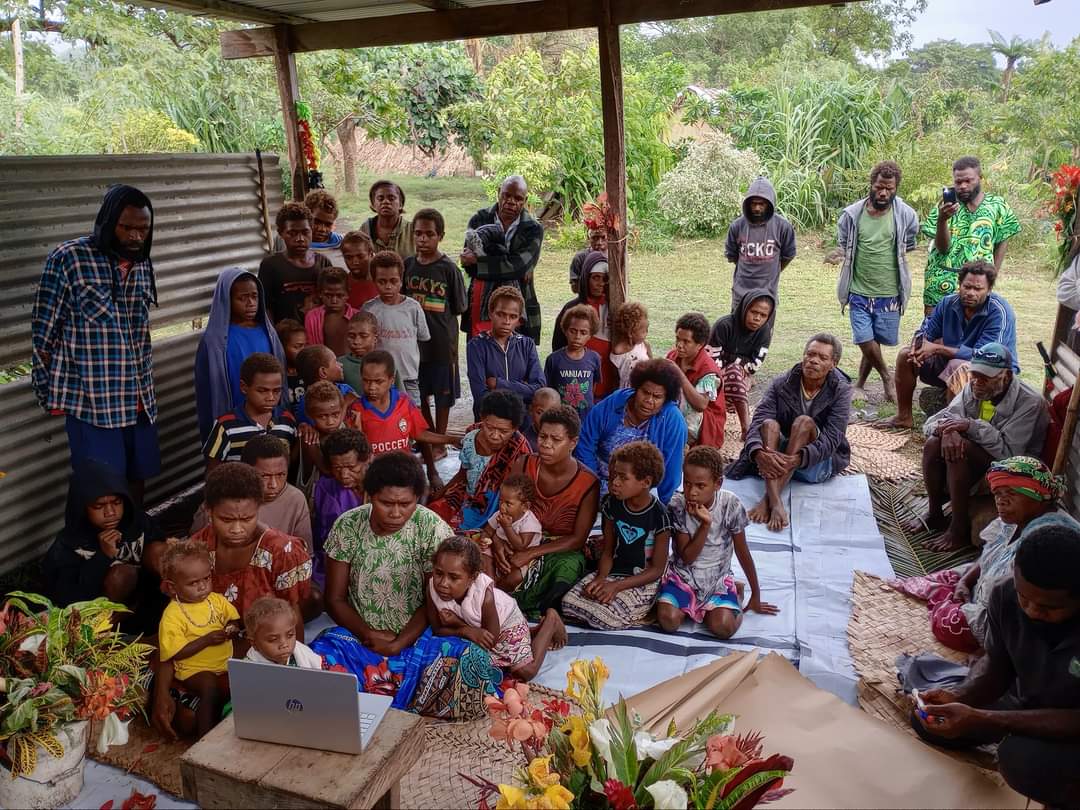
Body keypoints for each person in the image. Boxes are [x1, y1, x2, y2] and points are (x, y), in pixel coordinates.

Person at [313, 452, 504, 719]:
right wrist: (367, 633)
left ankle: (380, 697)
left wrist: (398, 642)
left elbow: (434, 600)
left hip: (421, 637)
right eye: (385, 503)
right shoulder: (349, 526)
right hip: (360, 639)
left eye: (406, 504)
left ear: (418, 499)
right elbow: (334, 599)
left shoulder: (431, 529)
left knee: (474, 662)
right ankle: (409, 699)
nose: (395, 512)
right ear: (369, 496)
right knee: (316, 657)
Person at [912, 522, 1080, 809]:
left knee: (1020, 761)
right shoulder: (1004, 595)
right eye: (1023, 597)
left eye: (1049, 607)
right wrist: (960, 696)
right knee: (929, 720)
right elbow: (997, 667)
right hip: (1028, 703)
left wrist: (987, 718)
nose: (1031, 611)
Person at [31, 184, 160, 502]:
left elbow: (140, 332)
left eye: (142, 229)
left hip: (138, 398)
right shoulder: (69, 259)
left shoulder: (142, 263)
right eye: (126, 227)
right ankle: (99, 551)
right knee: (100, 489)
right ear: (107, 222)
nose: (135, 237)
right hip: (93, 403)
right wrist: (50, 393)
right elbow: (43, 335)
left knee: (137, 478)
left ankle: (132, 544)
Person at [891, 456, 1079, 652]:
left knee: (950, 625)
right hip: (992, 591)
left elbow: (1020, 598)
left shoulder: (1047, 541)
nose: (1001, 501)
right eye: (997, 493)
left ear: (1039, 495)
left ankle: (950, 603)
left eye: (1011, 493)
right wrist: (966, 581)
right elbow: (991, 554)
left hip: (1011, 614)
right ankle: (952, 597)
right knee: (952, 575)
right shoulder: (1016, 519)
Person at [916, 343, 1050, 552]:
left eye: (985, 377)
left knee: (961, 449)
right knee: (935, 442)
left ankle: (958, 529)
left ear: (1005, 376)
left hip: (1014, 467)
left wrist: (969, 426)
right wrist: (948, 430)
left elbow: (1009, 453)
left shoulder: (1030, 402)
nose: (977, 382)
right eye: (974, 375)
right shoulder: (973, 387)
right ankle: (935, 513)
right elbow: (936, 422)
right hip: (981, 456)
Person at [727, 334, 850, 533]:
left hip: (815, 462)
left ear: (833, 365)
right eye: (810, 354)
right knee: (768, 424)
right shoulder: (782, 383)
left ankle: (769, 500)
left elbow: (832, 439)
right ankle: (776, 502)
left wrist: (797, 459)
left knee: (804, 423)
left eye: (822, 358)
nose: (813, 360)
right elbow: (759, 420)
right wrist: (760, 454)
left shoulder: (841, 391)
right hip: (781, 458)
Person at [657, 447, 778, 637]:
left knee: (723, 628)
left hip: (717, 579)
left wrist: (756, 594)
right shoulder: (677, 505)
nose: (692, 492)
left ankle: (735, 593)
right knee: (668, 621)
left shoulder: (730, 504)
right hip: (683, 576)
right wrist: (705, 525)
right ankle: (694, 606)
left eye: (700, 485)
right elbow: (687, 557)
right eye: (687, 484)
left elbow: (742, 551)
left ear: (718, 484)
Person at [883, 261, 1018, 429]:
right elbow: (926, 332)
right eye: (966, 287)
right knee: (906, 356)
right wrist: (917, 346)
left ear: (989, 290)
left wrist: (938, 348)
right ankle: (904, 417)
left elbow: (987, 358)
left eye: (977, 289)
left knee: (958, 367)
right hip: (951, 362)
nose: (970, 293)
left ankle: (950, 427)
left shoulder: (999, 312)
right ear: (959, 284)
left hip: (992, 376)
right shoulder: (948, 303)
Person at [188, 462, 314, 629]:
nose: (237, 529)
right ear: (208, 511)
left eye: (247, 519)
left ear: (258, 509)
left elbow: (292, 614)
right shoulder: (198, 547)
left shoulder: (281, 552)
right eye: (226, 520)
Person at [43, 460, 166, 630]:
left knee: (162, 551)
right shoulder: (70, 542)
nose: (110, 512)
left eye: (116, 503)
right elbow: (68, 597)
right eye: (99, 506)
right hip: (98, 611)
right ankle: (107, 633)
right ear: (83, 508)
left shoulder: (137, 522)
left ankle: (179, 611)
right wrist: (102, 557)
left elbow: (160, 547)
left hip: (145, 601)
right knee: (121, 574)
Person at [561, 442, 671, 630]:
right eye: (612, 477)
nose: (614, 483)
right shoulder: (611, 505)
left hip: (643, 579)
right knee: (568, 603)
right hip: (614, 571)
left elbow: (657, 569)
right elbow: (608, 550)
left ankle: (645, 610)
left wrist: (617, 587)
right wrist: (601, 578)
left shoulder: (659, 516)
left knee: (607, 618)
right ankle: (616, 605)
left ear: (646, 482)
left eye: (623, 478)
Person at [835, 161, 920, 401]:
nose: (883, 193)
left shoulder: (905, 214)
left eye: (889, 189)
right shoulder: (853, 215)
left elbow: (909, 243)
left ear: (896, 189)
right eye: (879, 187)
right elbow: (844, 244)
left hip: (890, 292)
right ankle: (887, 377)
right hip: (858, 289)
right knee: (864, 337)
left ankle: (860, 385)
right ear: (871, 185)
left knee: (875, 341)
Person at [505, 406, 601, 619]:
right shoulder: (524, 464)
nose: (546, 444)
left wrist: (531, 553)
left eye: (556, 440)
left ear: (573, 443)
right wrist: (502, 543)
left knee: (563, 575)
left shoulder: (588, 483)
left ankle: (543, 614)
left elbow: (578, 539)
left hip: (561, 548)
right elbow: (506, 509)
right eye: (542, 436)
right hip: (519, 537)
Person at [427, 536, 564, 680]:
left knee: (525, 672)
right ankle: (530, 634)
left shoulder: (484, 595)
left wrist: (458, 625)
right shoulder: (432, 588)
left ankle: (551, 621)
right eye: (438, 573)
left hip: (506, 623)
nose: (443, 583)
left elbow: (491, 641)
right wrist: (465, 630)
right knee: (461, 663)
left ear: (472, 578)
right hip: (476, 629)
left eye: (454, 578)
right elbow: (437, 630)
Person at [158, 539, 242, 737]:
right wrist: (206, 639)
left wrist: (231, 629)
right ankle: (206, 737)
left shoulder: (216, 600)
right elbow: (175, 652)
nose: (203, 587)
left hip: (225, 660)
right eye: (193, 583)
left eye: (206, 579)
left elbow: (234, 621)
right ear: (172, 587)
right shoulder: (173, 614)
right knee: (209, 687)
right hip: (193, 669)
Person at [576, 359, 688, 504]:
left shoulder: (673, 421)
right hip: (597, 481)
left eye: (657, 397)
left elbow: (671, 470)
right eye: (645, 392)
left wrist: (663, 508)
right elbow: (586, 442)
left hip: (640, 493)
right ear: (636, 388)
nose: (649, 400)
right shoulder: (614, 403)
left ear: (666, 399)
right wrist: (591, 484)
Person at [195, 268, 287, 443]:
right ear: (226, 300)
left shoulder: (269, 334)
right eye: (242, 298)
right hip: (234, 423)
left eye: (254, 296)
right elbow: (208, 393)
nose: (250, 303)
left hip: (268, 417)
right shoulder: (214, 342)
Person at [920, 156, 1021, 315]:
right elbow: (943, 247)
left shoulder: (997, 206)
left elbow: (1002, 241)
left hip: (977, 284)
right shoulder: (944, 207)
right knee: (935, 332)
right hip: (941, 281)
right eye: (958, 182)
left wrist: (992, 276)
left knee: (973, 330)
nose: (963, 186)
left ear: (980, 178)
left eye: (968, 180)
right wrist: (942, 220)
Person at [344, 350, 455, 489]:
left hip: (404, 475)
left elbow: (420, 434)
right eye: (366, 381)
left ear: (391, 379)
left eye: (378, 381)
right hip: (375, 479)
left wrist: (451, 440)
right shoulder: (356, 410)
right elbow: (353, 450)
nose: (372, 387)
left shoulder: (404, 402)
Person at [404, 208, 468, 443]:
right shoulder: (408, 265)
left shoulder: (449, 269)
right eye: (418, 233)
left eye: (429, 234)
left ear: (440, 235)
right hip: (415, 346)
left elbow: (460, 306)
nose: (423, 239)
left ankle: (440, 439)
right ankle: (428, 439)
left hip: (442, 344)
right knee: (419, 395)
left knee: (443, 396)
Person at [428, 390, 531, 531]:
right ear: (482, 418)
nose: (495, 435)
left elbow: (519, 494)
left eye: (503, 432)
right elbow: (463, 473)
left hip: (496, 505)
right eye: (489, 427)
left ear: (515, 428)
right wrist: (443, 491)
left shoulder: (520, 450)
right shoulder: (471, 436)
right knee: (431, 517)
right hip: (465, 494)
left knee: (461, 532)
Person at [190, 435, 312, 552]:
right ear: (247, 470)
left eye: (281, 474)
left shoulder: (296, 499)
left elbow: (303, 550)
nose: (273, 485)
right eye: (264, 476)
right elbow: (194, 551)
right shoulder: (222, 501)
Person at [460, 175, 544, 343]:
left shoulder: (534, 229)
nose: (511, 202)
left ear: (525, 200)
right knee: (480, 357)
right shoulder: (479, 219)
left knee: (513, 361)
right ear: (498, 193)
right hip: (479, 302)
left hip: (518, 305)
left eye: (518, 198)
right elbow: (468, 265)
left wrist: (480, 262)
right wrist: (510, 268)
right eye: (507, 195)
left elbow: (519, 266)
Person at [202, 353, 296, 472]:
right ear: (243, 387)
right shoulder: (226, 426)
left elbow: (293, 462)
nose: (271, 397)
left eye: (277, 391)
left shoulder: (287, 421)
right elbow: (213, 471)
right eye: (262, 391)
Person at [466, 285, 545, 421]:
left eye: (513, 316)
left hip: (522, 422)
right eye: (501, 314)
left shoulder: (526, 344)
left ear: (519, 319)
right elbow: (480, 395)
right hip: (490, 423)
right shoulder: (476, 346)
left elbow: (539, 390)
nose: (506, 322)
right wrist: (523, 388)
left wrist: (498, 384)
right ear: (491, 313)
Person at [362, 251, 429, 406]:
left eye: (393, 281)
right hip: (380, 379)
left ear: (401, 280)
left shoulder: (413, 307)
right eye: (382, 281)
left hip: (409, 376)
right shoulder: (369, 309)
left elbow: (422, 337)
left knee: (412, 416)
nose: (388, 286)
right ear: (374, 281)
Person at [708, 289, 775, 441]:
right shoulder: (724, 326)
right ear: (744, 308)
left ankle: (744, 423)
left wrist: (731, 360)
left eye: (763, 315)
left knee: (736, 372)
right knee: (734, 372)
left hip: (738, 380)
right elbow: (713, 362)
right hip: (714, 379)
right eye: (753, 312)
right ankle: (746, 425)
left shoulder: (764, 332)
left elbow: (755, 365)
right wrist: (739, 363)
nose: (757, 318)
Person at [725, 177, 796, 311]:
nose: (757, 208)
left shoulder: (783, 227)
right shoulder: (737, 226)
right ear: (748, 204)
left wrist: (774, 270)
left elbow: (788, 255)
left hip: (767, 296)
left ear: (769, 204)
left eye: (761, 204)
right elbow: (732, 255)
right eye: (753, 204)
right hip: (741, 295)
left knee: (763, 331)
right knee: (736, 331)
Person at [312, 428, 371, 588]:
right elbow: (326, 537)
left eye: (351, 467)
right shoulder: (326, 488)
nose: (344, 475)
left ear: (367, 460)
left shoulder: (381, 485)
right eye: (337, 468)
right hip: (334, 561)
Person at [552, 252, 616, 397]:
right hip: (575, 375)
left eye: (605, 279)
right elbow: (558, 345)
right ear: (586, 278)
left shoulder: (614, 308)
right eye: (595, 278)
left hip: (607, 376)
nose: (600, 283)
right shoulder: (572, 308)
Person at [259, 203, 332, 323]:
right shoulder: (270, 266)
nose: (300, 239)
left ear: (312, 230)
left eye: (305, 232)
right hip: (284, 337)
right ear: (281, 233)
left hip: (317, 335)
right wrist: (273, 338)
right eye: (292, 233)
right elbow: (265, 307)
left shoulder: (323, 263)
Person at [667, 313, 726, 448]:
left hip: (705, 423)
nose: (679, 345)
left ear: (700, 345)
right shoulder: (673, 356)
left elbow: (700, 405)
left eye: (686, 342)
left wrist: (679, 374)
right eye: (678, 339)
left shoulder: (708, 370)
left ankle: (680, 444)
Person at [476, 473, 542, 587]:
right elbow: (487, 531)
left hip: (520, 558)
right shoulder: (499, 514)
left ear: (525, 506)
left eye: (508, 503)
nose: (502, 507)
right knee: (483, 556)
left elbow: (521, 546)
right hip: (499, 549)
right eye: (501, 501)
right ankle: (490, 582)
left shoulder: (529, 523)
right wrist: (484, 540)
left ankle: (500, 589)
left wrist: (507, 527)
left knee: (515, 578)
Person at [546, 305, 602, 419]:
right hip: (561, 418)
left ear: (590, 335)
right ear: (565, 330)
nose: (577, 337)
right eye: (573, 331)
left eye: (583, 333)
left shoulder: (594, 358)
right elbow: (548, 389)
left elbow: (593, 386)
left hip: (586, 418)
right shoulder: (554, 359)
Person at [244, 596, 325, 669]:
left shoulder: (302, 653)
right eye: (273, 639)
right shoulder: (248, 668)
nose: (284, 644)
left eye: (290, 635)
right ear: (254, 643)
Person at [294, 343, 357, 426]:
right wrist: (345, 404)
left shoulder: (346, 390)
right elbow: (328, 429)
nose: (341, 365)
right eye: (335, 362)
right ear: (323, 372)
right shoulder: (306, 404)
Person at [304, 266, 358, 356]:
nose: (334, 300)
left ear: (348, 294)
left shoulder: (358, 317)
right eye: (328, 295)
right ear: (320, 293)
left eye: (339, 295)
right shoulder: (312, 317)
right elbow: (311, 347)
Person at [297, 380, 346, 476]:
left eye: (335, 414)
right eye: (322, 416)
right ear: (310, 415)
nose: (330, 422)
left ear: (341, 410)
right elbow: (327, 471)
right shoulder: (310, 438)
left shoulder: (346, 429)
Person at [359, 180, 414, 259]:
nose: (386, 202)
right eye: (380, 198)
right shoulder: (365, 230)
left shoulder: (413, 231)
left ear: (401, 204)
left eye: (391, 198)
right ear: (373, 204)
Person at [609, 301, 651, 391]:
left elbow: (652, 366)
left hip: (644, 389)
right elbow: (615, 379)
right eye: (644, 331)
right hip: (626, 392)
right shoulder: (618, 352)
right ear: (630, 333)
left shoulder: (644, 346)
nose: (646, 333)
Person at [305, 189, 346, 271]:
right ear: (306, 216)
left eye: (328, 224)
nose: (322, 229)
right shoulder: (291, 244)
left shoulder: (343, 244)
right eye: (316, 221)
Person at [274, 318, 307, 415]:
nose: (303, 351)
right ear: (281, 347)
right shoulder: (274, 376)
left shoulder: (309, 371)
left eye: (304, 345)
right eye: (297, 346)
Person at [341, 230, 378, 309]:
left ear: (371, 254)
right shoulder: (341, 286)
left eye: (360, 256)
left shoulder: (385, 282)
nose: (355, 262)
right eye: (349, 257)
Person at [568, 226, 607, 294]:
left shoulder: (615, 258)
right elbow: (574, 288)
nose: (599, 242)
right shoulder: (580, 258)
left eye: (603, 238)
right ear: (588, 238)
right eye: (595, 238)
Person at [522, 388, 560, 453]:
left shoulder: (564, 438)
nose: (545, 418)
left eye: (551, 413)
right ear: (531, 410)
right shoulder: (524, 442)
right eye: (539, 412)